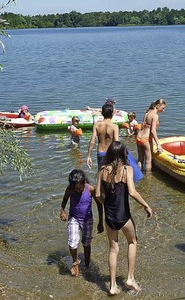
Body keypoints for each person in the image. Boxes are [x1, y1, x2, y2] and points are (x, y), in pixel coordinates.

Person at [95, 141, 152, 295]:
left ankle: (112, 286)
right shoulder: (127, 169)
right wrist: (146, 205)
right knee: (133, 242)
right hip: (123, 216)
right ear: (123, 154)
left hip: (109, 217)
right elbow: (132, 192)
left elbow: (98, 194)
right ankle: (130, 278)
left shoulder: (102, 170)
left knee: (113, 248)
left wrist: (105, 204)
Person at [59, 169, 104, 277]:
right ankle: (75, 262)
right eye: (76, 187)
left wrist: (100, 222)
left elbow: (99, 205)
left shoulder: (90, 189)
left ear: (84, 183)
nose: (78, 189)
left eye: (80, 187)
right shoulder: (70, 190)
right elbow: (64, 200)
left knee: (86, 244)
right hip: (74, 218)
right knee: (72, 242)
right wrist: (62, 211)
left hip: (87, 219)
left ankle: (87, 266)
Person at [136, 99, 167, 172]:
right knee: (148, 161)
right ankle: (148, 180)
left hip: (139, 137)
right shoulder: (155, 116)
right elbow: (153, 131)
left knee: (140, 160)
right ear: (158, 106)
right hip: (145, 139)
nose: (163, 110)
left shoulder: (147, 112)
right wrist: (158, 144)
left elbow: (143, 126)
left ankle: (139, 176)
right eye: (163, 108)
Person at [86, 103, 119, 170]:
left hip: (100, 152)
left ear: (102, 113)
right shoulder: (114, 127)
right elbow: (117, 142)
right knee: (111, 174)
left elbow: (92, 141)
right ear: (112, 114)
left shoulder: (96, 125)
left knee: (101, 173)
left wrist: (89, 156)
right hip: (110, 153)